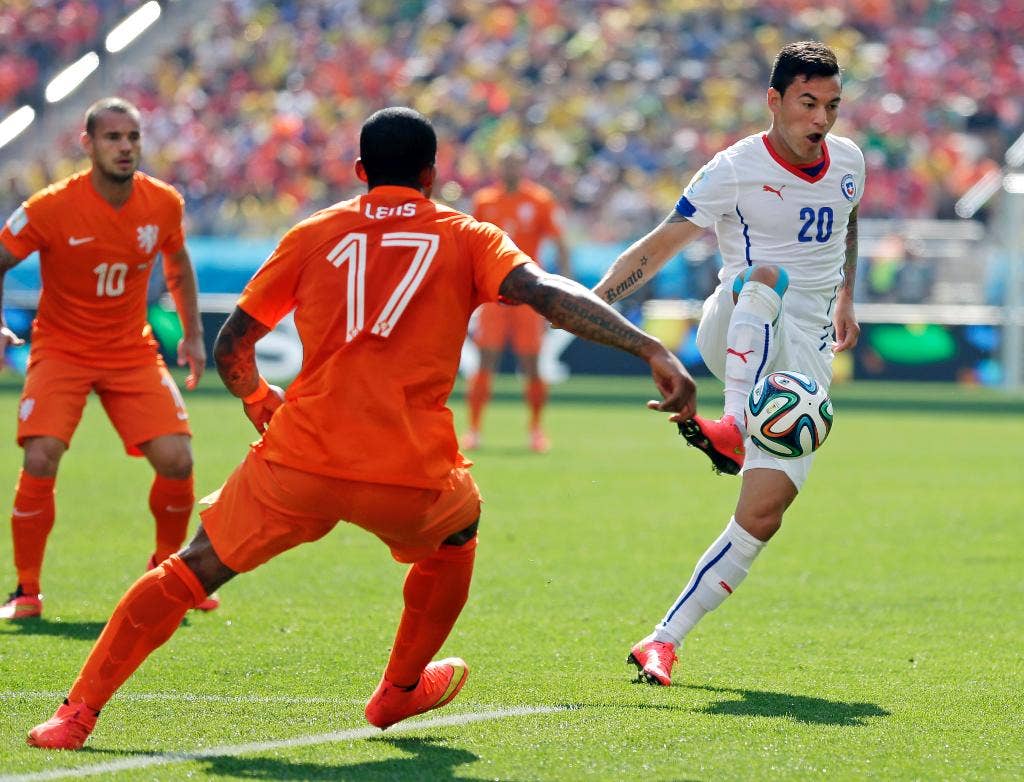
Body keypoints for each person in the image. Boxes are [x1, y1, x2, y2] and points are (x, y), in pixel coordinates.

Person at [25, 106, 696, 749]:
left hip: (300, 460)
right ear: (433, 174)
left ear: (358, 170)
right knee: (458, 534)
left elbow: (232, 344)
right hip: (407, 473)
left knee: (191, 569)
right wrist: (651, 350)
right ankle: (398, 689)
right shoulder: (467, 235)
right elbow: (550, 294)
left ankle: (75, 715)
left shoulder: (315, 232)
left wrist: (259, 398)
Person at [593, 41, 864, 686]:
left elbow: (848, 220)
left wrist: (846, 294)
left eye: (830, 105)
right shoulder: (732, 169)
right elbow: (657, 248)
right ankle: (731, 425)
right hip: (737, 323)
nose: (820, 120)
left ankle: (662, 641)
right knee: (763, 278)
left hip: (803, 366)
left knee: (763, 515)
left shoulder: (849, 160)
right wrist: (591, 301)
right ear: (773, 101)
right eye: (806, 103)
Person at [0, 97, 219, 620]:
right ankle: (26, 591)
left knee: (178, 460)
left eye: (132, 138)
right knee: (40, 456)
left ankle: (170, 574)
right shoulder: (51, 207)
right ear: (88, 144)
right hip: (61, 348)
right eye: (113, 138)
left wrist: (191, 335)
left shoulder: (163, 202)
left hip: (129, 349)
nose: (125, 148)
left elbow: (178, 262)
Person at [462, 144, 571, 453]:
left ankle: (536, 430)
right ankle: (474, 429)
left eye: (515, 163)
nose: (510, 168)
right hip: (494, 293)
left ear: (523, 166)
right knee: (486, 358)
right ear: (497, 166)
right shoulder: (485, 201)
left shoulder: (539, 200)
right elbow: (471, 245)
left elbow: (560, 242)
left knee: (532, 362)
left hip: (528, 293)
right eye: (505, 163)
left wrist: (563, 283)